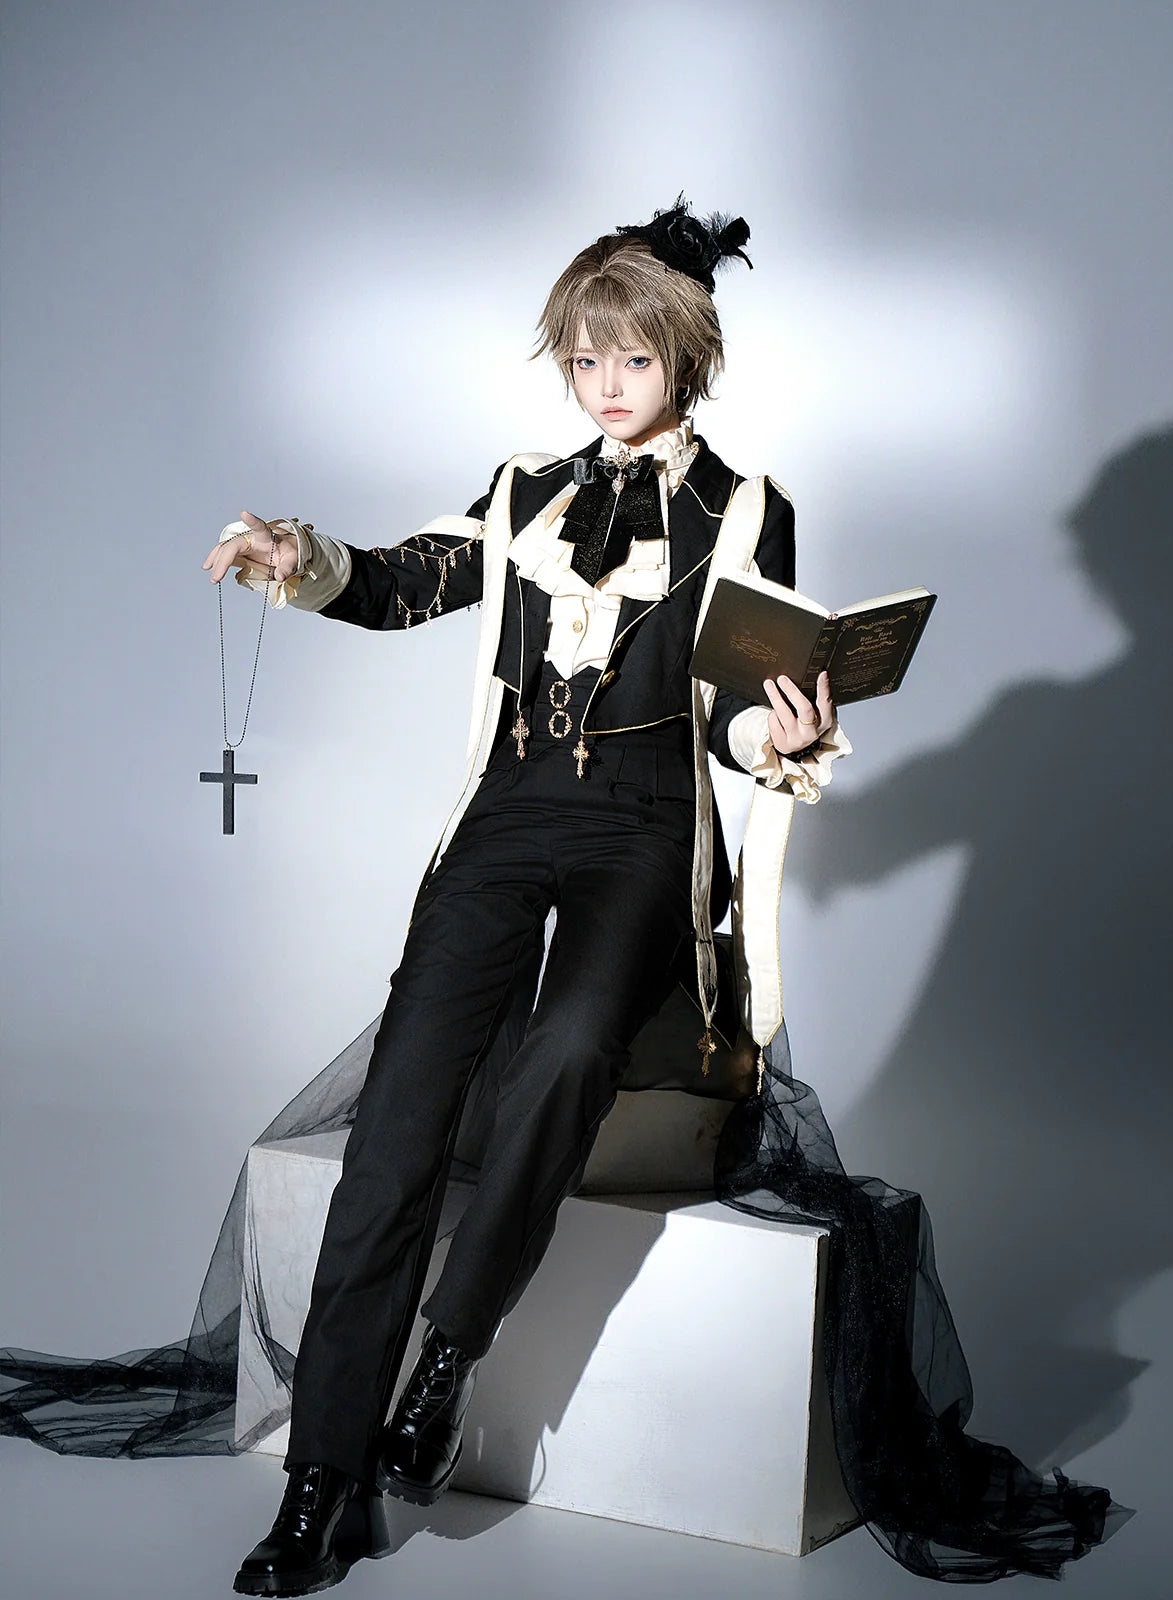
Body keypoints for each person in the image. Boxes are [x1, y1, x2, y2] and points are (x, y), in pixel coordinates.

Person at [204, 197, 849, 1598]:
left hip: (644, 826)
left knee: (566, 1055)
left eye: (635, 358)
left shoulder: (746, 511)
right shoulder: (523, 492)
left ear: (688, 356)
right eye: (583, 358)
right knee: (397, 1126)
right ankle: (323, 1480)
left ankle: (450, 1353)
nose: (607, 385)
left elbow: (740, 697)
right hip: (505, 815)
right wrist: (296, 560)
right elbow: (400, 582)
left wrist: (778, 735)